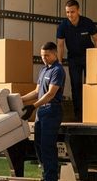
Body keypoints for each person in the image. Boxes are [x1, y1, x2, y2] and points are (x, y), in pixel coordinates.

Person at [20, 42, 65, 181]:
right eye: (42, 56)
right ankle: (46, 172)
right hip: (41, 112)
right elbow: (36, 91)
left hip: (52, 111)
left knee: (47, 146)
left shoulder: (58, 70)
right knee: (38, 144)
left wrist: (33, 106)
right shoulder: (44, 70)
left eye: (47, 55)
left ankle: (50, 177)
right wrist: (19, 100)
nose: (44, 58)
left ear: (55, 54)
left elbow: (50, 94)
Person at [56, 0, 97, 122]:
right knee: (76, 86)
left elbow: (96, 39)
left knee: (91, 85)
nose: (70, 15)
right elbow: (60, 45)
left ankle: (93, 111)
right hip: (74, 59)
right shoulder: (63, 26)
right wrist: (59, 63)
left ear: (78, 11)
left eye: (72, 12)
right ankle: (78, 115)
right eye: (67, 12)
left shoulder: (87, 22)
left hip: (89, 57)